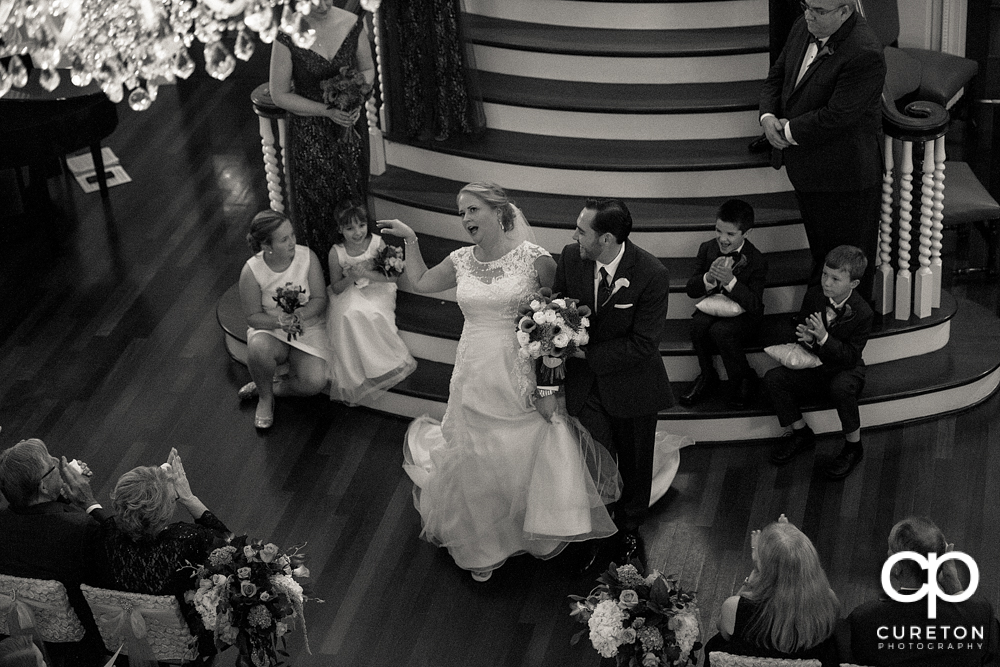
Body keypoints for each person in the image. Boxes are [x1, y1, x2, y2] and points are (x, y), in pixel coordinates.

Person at [382, 182, 621, 583]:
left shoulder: (534, 259)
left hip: (518, 371)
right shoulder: (460, 260)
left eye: (472, 210)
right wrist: (411, 240)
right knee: (477, 450)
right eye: (461, 213)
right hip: (474, 367)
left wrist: (548, 385)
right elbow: (420, 281)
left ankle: (538, 529)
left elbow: (556, 321)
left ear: (499, 211)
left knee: (526, 442)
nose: (465, 219)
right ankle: (485, 541)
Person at [551, 198, 675, 568]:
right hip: (585, 388)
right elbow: (560, 309)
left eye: (581, 231)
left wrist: (586, 355)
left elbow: (644, 343)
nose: (574, 236)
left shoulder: (652, 273)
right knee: (594, 462)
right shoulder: (571, 258)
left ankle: (630, 531)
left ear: (605, 239)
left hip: (634, 386)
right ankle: (596, 531)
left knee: (635, 464)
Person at [759, 0, 885, 300]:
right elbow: (778, 76)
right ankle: (817, 329)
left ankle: (844, 337)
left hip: (845, 179)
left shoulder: (864, 52)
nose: (808, 15)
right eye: (806, 5)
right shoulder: (802, 26)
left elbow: (837, 116)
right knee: (821, 255)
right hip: (808, 171)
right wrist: (767, 117)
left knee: (846, 267)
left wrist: (786, 131)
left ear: (846, 10)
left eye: (819, 11)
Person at [269, 0, 375, 280]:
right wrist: (326, 111)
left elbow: (368, 70)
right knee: (315, 203)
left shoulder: (352, 24)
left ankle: (358, 271)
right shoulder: (286, 33)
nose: (325, 4)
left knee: (351, 195)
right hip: (310, 135)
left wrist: (355, 97)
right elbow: (279, 94)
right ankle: (322, 280)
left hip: (349, 129)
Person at [100, 449, 230, 660]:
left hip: (125, 639)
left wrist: (155, 483)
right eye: (171, 500)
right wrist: (188, 497)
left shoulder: (105, 534)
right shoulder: (186, 540)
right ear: (163, 514)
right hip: (185, 641)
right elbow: (227, 546)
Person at [763, 245, 873, 480]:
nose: (827, 282)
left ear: (853, 284)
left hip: (846, 370)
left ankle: (854, 446)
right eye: (824, 274)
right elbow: (803, 328)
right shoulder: (814, 295)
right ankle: (801, 433)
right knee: (774, 378)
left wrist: (823, 337)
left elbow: (850, 356)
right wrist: (806, 338)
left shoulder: (863, 312)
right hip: (815, 363)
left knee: (841, 387)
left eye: (835, 278)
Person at [0, 439, 109, 667]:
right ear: (42, 486)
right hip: (86, 642)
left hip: (22, 640)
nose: (56, 461)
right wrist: (88, 501)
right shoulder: (81, 529)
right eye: (50, 462)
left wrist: (61, 497)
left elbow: (37, 528)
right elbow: (111, 569)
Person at [846, 516, 1000, 666]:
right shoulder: (981, 615)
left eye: (890, 551)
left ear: (896, 567)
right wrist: (956, 591)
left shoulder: (864, 619)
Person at [704, 514, 840, 667]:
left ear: (765, 571)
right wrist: (790, 543)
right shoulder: (829, 601)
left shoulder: (734, 607)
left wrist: (755, 571)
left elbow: (722, 630)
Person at [238, 210, 332, 429]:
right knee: (258, 347)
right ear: (266, 247)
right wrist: (281, 322)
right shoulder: (251, 271)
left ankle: (273, 388)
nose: (292, 242)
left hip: (307, 327)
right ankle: (264, 398)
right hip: (271, 329)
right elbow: (253, 317)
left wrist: (299, 316)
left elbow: (319, 299)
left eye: (292, 235)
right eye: (284, 239)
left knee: (314, 382)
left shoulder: (307, 257)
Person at [326, 200, 416, 405]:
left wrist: (365, 273)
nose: (357, 232)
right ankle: (356, 368)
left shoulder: (376, 243)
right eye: (349, 228)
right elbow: (336, 287)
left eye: (361, 226)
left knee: (372, 313)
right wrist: (351, 277)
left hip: (378, 288)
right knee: (348, 313)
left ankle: (380, 364)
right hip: (349, 290)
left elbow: (391, 278)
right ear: (340, 229)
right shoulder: (337, 252)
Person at [680, 199, 769, 408]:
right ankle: (707, 375)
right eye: (718, 231)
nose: (722, 238)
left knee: (722, 331)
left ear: (746, 233)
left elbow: (755, 304)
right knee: (698, 325)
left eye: (730, 234)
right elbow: (691, 290)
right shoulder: (707, 249)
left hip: (745, 316)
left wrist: (731, 282)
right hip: (713, 306)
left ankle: (744, 378)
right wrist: (708, 279)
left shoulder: (756, 260)